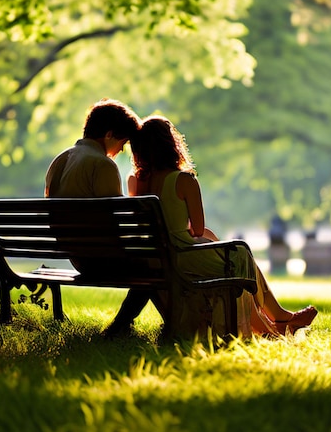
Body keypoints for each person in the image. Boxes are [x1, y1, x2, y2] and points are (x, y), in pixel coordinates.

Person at [120, 114, 318, 338]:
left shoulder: (134, 181)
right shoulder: (184, 180)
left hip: (155, 256)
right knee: (240, 255)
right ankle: (278, 321)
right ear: (171, 145)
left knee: (234, 257)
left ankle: (274, 324)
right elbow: (196, 229)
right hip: (181, 256)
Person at [44, 98, 159, 333]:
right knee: (156, 266)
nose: (121, 150)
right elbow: (117, 222)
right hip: (99, 258)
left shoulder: (60, 159)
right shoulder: (102, 165)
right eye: (123, 142)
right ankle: (121, 326)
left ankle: (123, 326)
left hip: (75, 256)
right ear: (109, 134)